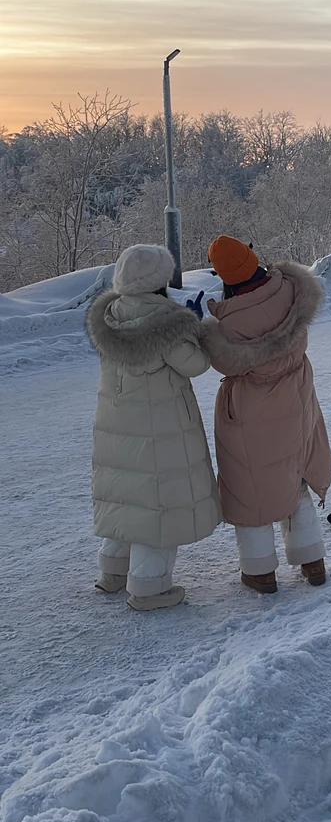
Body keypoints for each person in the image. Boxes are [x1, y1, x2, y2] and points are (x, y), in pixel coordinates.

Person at [85, 244, 221, 611]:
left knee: (126, 496)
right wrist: (195, 328)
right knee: (159, 504)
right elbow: (195, 365)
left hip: (117, 426)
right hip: (160, 432)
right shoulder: (167, 324)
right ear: (159, 280)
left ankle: (112, 572)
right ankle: (148, 586)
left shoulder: (110, 315)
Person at [200, 236, 331, 593]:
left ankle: (259, 571)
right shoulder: (289, 290)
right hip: (296, 397)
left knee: (251, 490)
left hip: (252, 412)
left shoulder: (228, 324)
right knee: (294, 475)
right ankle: (312, 559)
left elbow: (221, 361)